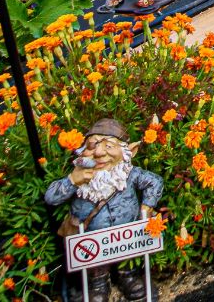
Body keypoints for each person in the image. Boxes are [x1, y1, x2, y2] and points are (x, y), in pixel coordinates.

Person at [45, 118, 163, 302]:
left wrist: (146, 207)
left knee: (128, 258)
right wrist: (72, 180)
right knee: (95, 266)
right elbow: (51, 197)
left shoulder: (129, 174)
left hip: (126, 239)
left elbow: (155, 182)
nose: (99, 153)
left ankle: (128, 276)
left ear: (128, 152)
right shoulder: (81, 178)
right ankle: (99, 285)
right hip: (93, 242)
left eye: (108, 146)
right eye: (92, 145)